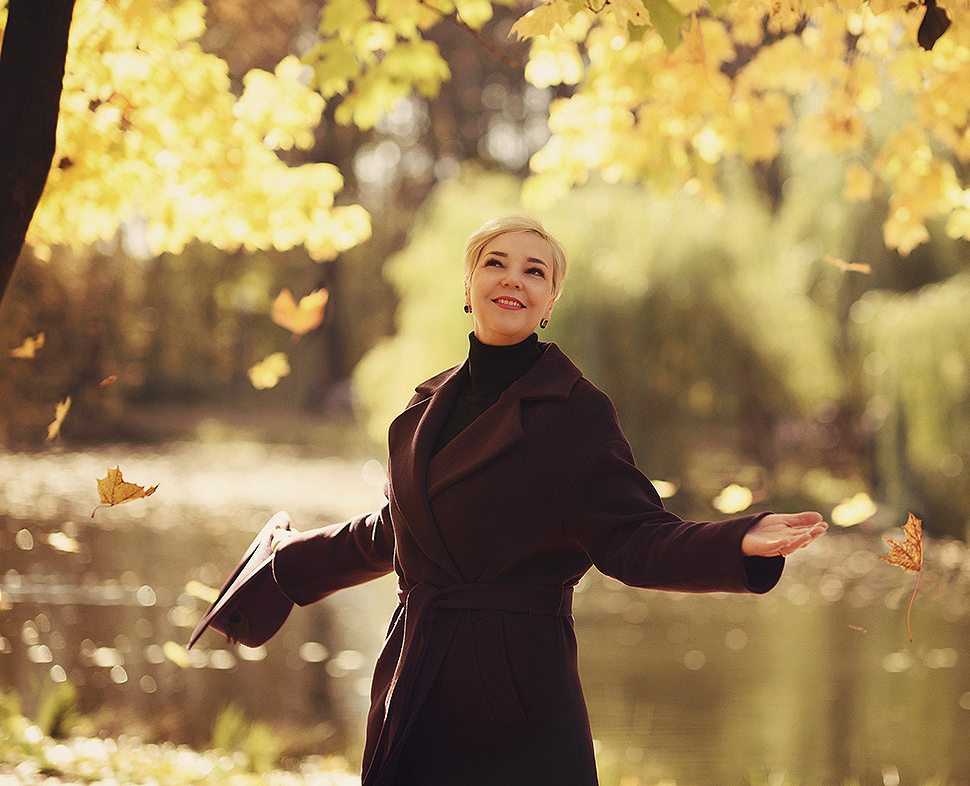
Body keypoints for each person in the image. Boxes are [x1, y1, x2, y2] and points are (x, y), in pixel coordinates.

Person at [266, 215, 827, 786]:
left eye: (534, 271)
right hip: (415, 684)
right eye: (496, 263)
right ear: (468, 286)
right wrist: (285, 560)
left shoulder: (576, 411)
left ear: (550, 300)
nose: (513, 279)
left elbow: (634, 537)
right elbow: (397, 531)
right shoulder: (425, 405)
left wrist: (738, 540)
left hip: (517, 697)